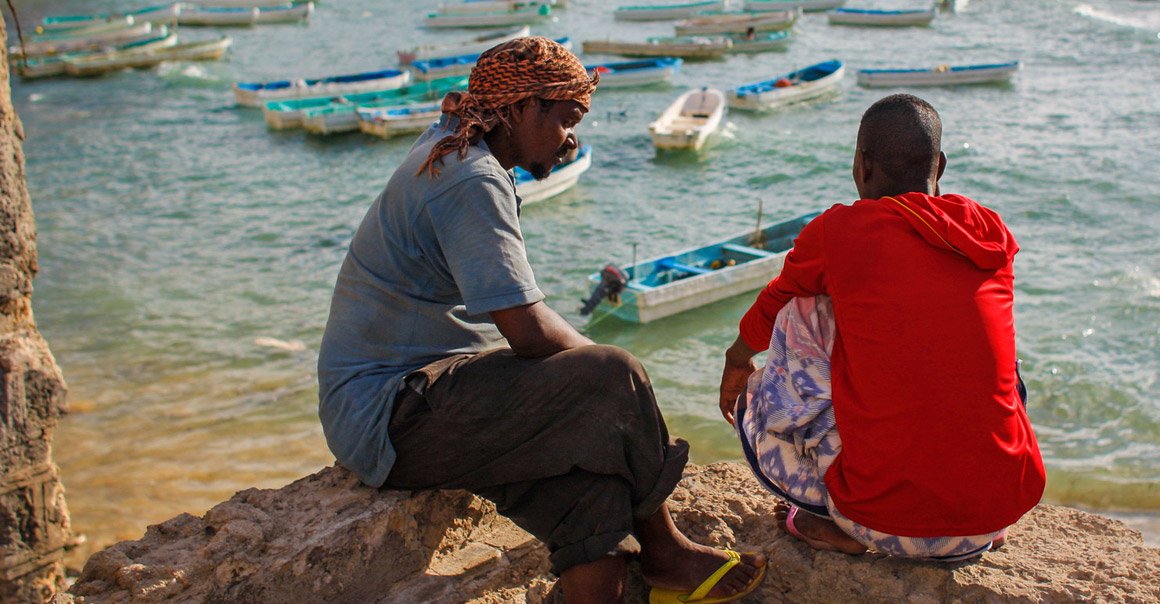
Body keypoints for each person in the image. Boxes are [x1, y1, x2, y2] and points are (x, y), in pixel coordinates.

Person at [317, 38, 765, 604]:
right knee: (614, 374)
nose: (573, 139)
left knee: (592, 490)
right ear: (522, 107)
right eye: (567, 118)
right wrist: (612, 381)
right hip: (390, 411)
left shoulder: (457, 147)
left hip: (412, 399)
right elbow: (527, 332)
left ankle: (610, 584)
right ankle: (665, 550)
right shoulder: (471, 177)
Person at [717, 94, 1046, 559]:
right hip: (995, 515)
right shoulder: (990, 232)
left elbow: (776, 301)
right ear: (942, 166)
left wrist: (736, 360)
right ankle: (966, 515)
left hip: (879, 522)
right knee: (992, 357)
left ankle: (838, 525)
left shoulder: (840, 232)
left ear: (863, 166)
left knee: (800, 308)